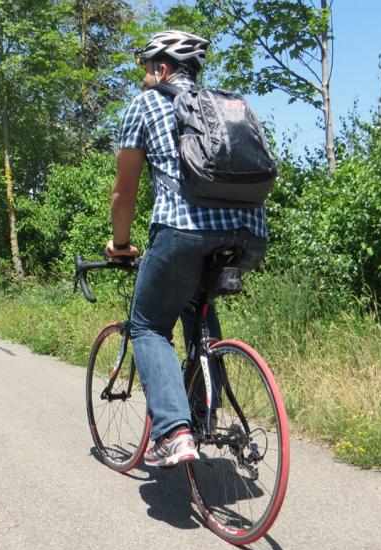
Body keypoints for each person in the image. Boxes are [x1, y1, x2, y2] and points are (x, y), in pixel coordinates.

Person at [105, 30, 268, 468]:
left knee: (147, 326)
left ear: (162, 69)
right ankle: (204, 412)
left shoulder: (146, 104)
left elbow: (124, 192)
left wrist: (120, 244)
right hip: (249, 236)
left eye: (146, 68)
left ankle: (173, 432)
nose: (143, 76)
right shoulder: (227, 105)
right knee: (198, 312)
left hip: (183, 232)